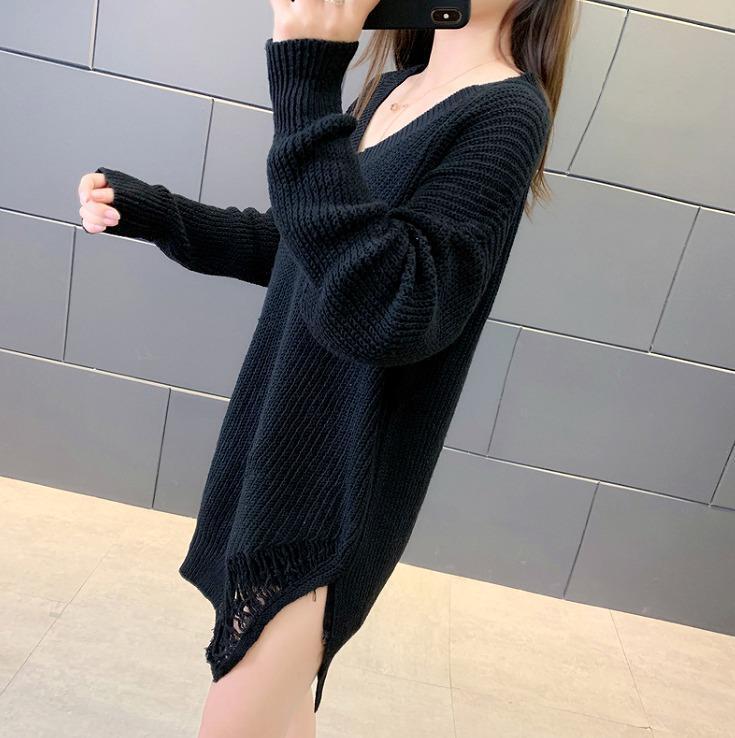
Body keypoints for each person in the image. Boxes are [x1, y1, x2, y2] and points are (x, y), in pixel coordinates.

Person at [78, 0, 574, 735]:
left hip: (333, 479)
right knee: (276, 716)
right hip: (281, 437)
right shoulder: (392, 89)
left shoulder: (507, 113)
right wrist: (153, 212)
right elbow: (302, 248)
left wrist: (307, 79)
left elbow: (389, 307)